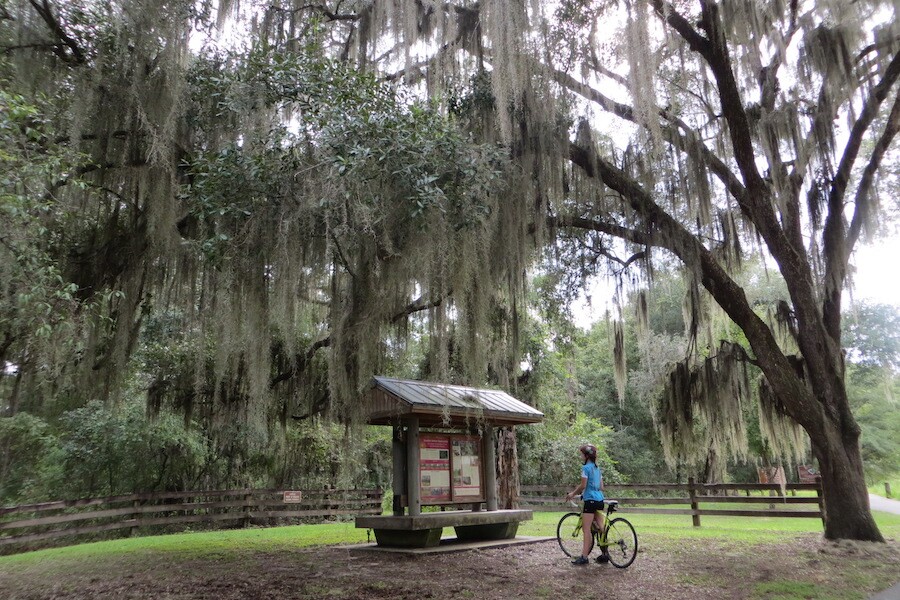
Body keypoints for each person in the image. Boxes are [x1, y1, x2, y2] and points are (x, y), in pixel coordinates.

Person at [564, 443, 608, 565]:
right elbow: (601, 487)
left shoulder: (586, 468)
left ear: (587, 456)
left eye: (582, 454)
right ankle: (605, 554)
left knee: (586, 529)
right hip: (600, 500)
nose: (581, 456)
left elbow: (583, 485)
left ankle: (584, 556)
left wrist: (572, 493)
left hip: (590, 501)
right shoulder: (597, 468)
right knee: (601, 528)